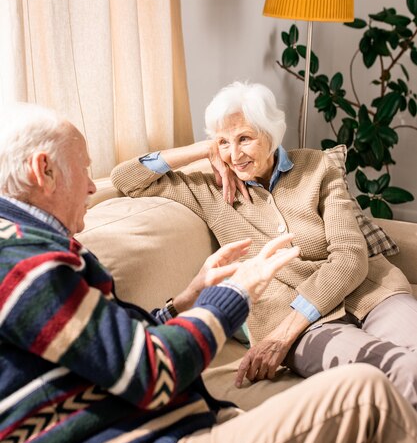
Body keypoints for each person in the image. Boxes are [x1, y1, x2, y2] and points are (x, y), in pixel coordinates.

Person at [1, 103, 417, 443]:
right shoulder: (21, 265)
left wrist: (185, 301)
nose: (92, 186)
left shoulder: (40, 253)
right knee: (362, 392)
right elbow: (150, 369)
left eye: (245, 138)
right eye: (83, 170)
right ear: (44, 170)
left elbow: (111, 352)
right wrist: (234, 293)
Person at [111, 81, 417, 408]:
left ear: (271, 134)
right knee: (403, 373)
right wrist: (204, 150)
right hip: (298, 324)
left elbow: (350, 258)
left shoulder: (317, 167)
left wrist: (284, 333)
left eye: (245, 138)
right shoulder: (208, 189)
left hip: (370, 293)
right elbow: (124, 178)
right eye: (223, 142)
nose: (235, 154)